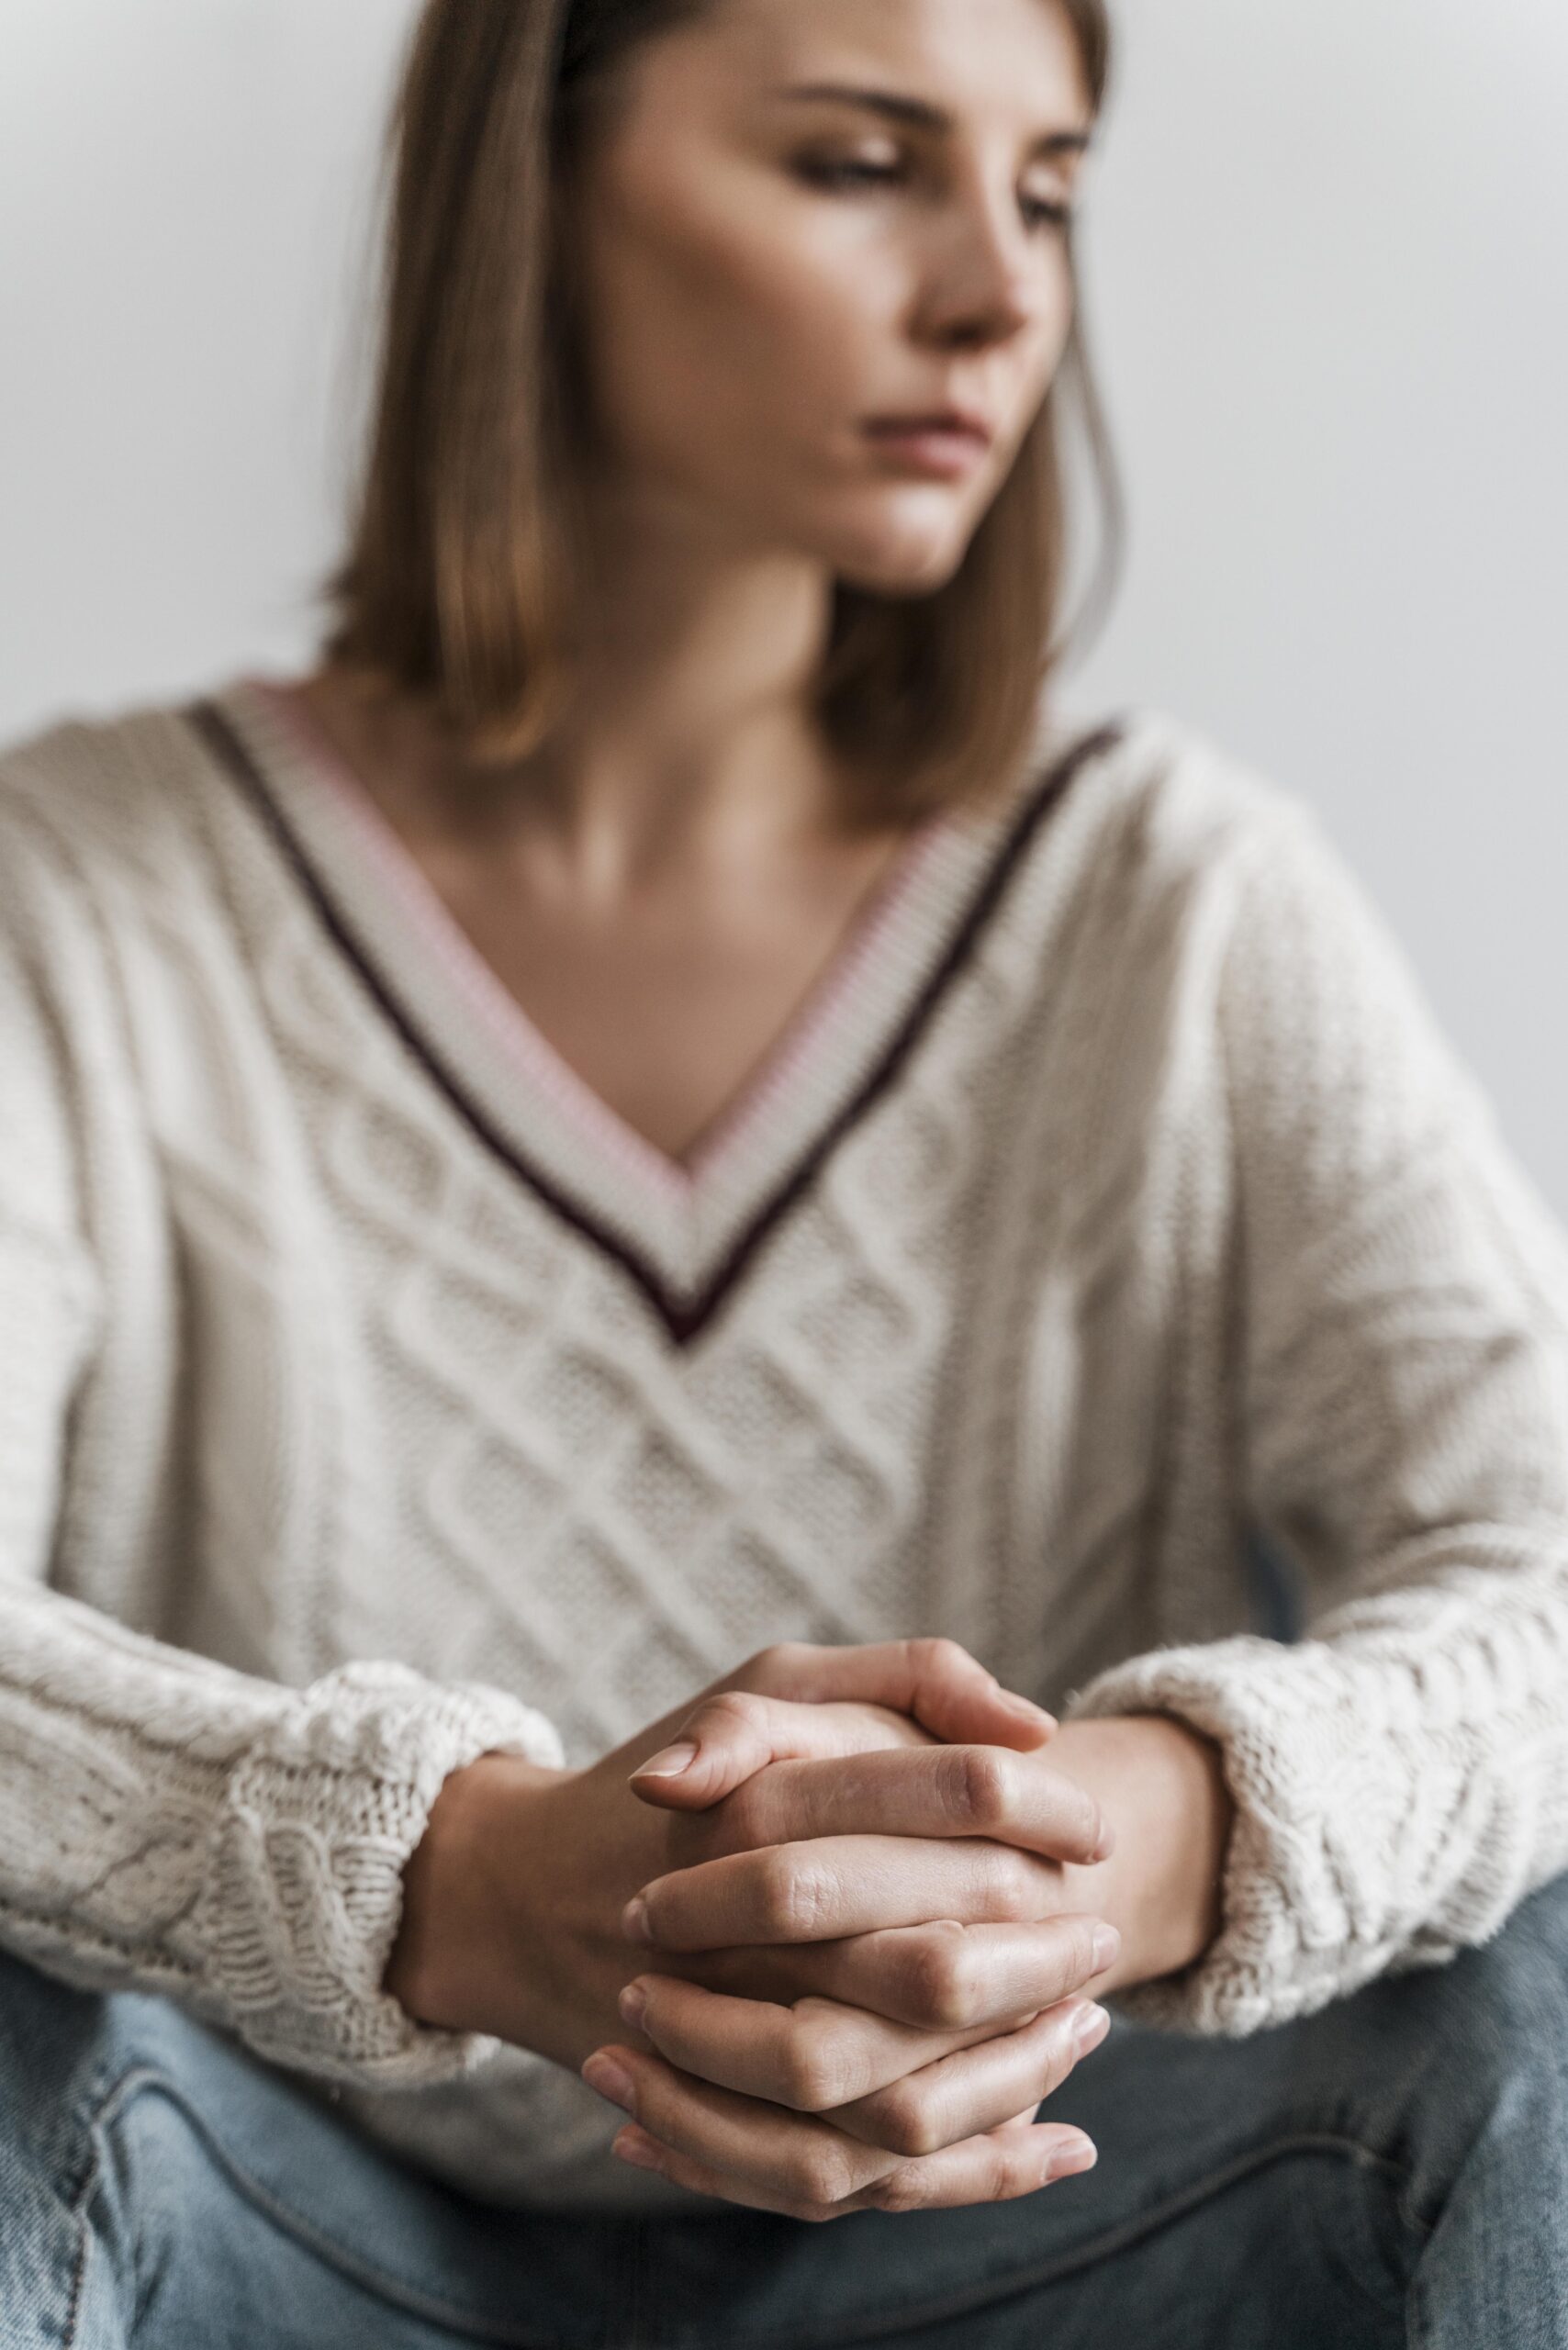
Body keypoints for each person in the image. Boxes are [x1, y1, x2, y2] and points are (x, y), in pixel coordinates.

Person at [2, 0, 1566, 2342]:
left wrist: (1138, 1836)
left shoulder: (1172, 903)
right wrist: (456, 1878)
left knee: (1516, 1984)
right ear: (531, 188)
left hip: (1050, 2226)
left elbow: (1537, 1557)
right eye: (860, 162)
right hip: (255, 2230)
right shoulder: (87, 895)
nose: (1001, 287)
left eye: (1041, 189)